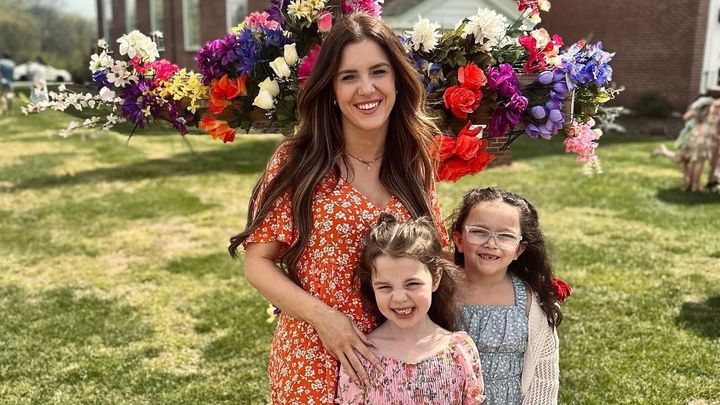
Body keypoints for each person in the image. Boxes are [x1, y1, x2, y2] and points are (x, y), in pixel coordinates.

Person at [229, 13, 447, 404]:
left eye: (378, 72)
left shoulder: (414, 161)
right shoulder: (299, 161)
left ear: (398, 80)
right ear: (331, 88)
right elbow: (257, 263)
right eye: (349, 77)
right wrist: (323, 318)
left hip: (399, 366)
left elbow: (436, 257)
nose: (366, 88)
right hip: (315, 358)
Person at [336, 215, 485, 404]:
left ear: (436, 279)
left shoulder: (460, 351)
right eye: (385, 287)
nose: (399, 298)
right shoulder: (360, 358)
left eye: (412, 284)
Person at [450, 188, 562, 405]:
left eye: (505, 236)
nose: (491, 243)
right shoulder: (439, 292)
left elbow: (544, 379)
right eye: (479, 231)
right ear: (459, 239)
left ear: (519, 249)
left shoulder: (530, 302)